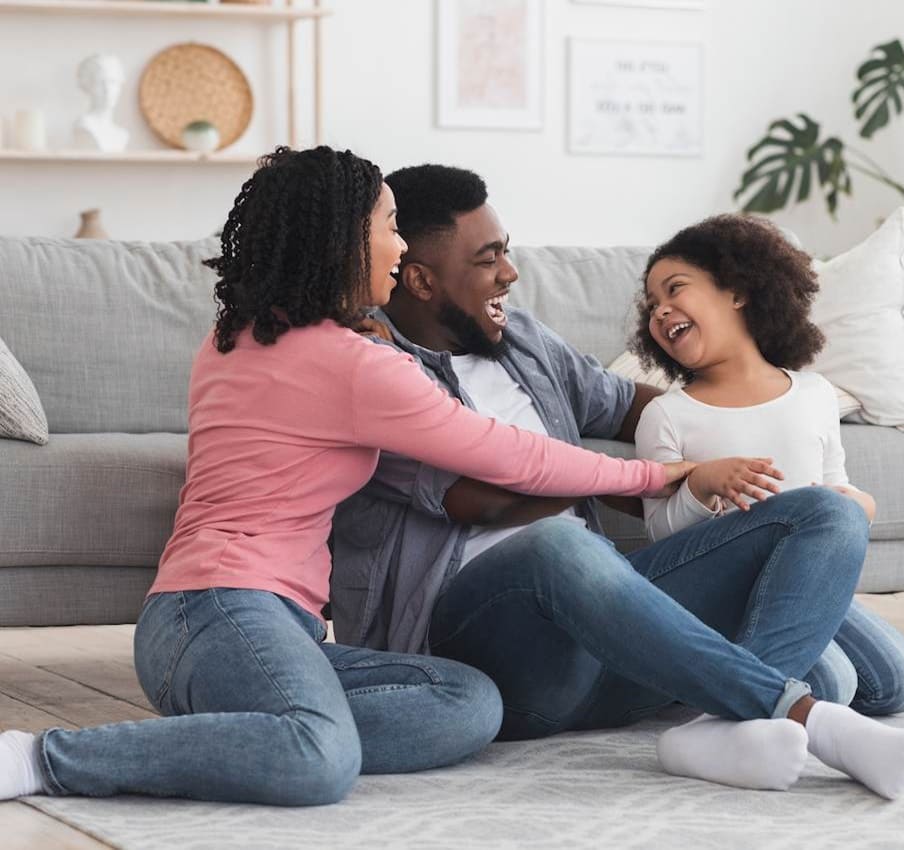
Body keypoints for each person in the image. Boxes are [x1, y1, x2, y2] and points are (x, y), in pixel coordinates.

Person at [0, 145, 700, 807]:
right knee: (319, 759)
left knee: (469, 704)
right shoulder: (353, 364)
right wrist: (653, 475)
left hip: (234, 629)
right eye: (390, 228)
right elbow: (509, 454)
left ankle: (250, 729)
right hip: (220, 609)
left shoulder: (238, 335)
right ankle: (45, 758)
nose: (400, 249)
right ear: (340, 241)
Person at [331, 164, 904, 797]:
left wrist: (739, 441)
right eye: (488, 260)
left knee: (824, 523)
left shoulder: (522, 340)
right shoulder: (373, 368)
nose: (510, 273)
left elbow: (625, 404)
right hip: (491, 651)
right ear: (422, 278)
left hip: (606, 643)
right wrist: (646, 476)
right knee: (557, 544)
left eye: (505, 251)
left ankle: (726, 726)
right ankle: (795, 714)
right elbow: (481, 503)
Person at [630, 212, 904, 758]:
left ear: (738, 292)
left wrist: (859, 504)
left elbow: (835, 487)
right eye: (652, 303)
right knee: (836, 685)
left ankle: (746, 675)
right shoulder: (668, 415)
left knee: (897, 681)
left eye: (675, 289)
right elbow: (661, 538)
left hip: (800, 577)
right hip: (722, 589)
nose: (660, 310)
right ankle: (732, 712)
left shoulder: (814, 393)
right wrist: (701, 488)